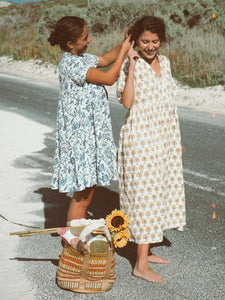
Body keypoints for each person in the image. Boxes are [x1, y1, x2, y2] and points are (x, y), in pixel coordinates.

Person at [48, 16, 131, 248]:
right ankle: (72, 242)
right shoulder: (70, 64)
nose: (90, 39)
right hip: (81, 137)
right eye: (85, 37)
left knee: (88, 187)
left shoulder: (81, 57)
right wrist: (125, 51)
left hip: (89, 134)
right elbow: (109, 77)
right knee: (82, 193)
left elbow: (104, 59)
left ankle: (75, 237)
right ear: (69, 43)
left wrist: (124, 42)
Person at [117, 16, 186, 283]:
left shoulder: (165, 62)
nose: (150, 47)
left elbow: (168, 103)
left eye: (155, 41)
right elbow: (126, 102)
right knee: (143, 199)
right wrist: (132, 65)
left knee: (157, 195)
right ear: (135, 41)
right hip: (139, 140)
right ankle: (140, 265)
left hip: (163, 139)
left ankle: (144, 253)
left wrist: (174, 138)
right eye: (144, 41)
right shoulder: (129, 64)